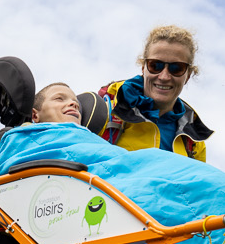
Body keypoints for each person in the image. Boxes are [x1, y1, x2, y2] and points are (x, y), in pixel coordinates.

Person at [89, 25, 211, 160]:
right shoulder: (102, 110)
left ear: (187, 76)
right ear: (143, 68)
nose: (164, 76)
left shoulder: (193, 141)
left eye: (177, 68)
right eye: (155, 65)